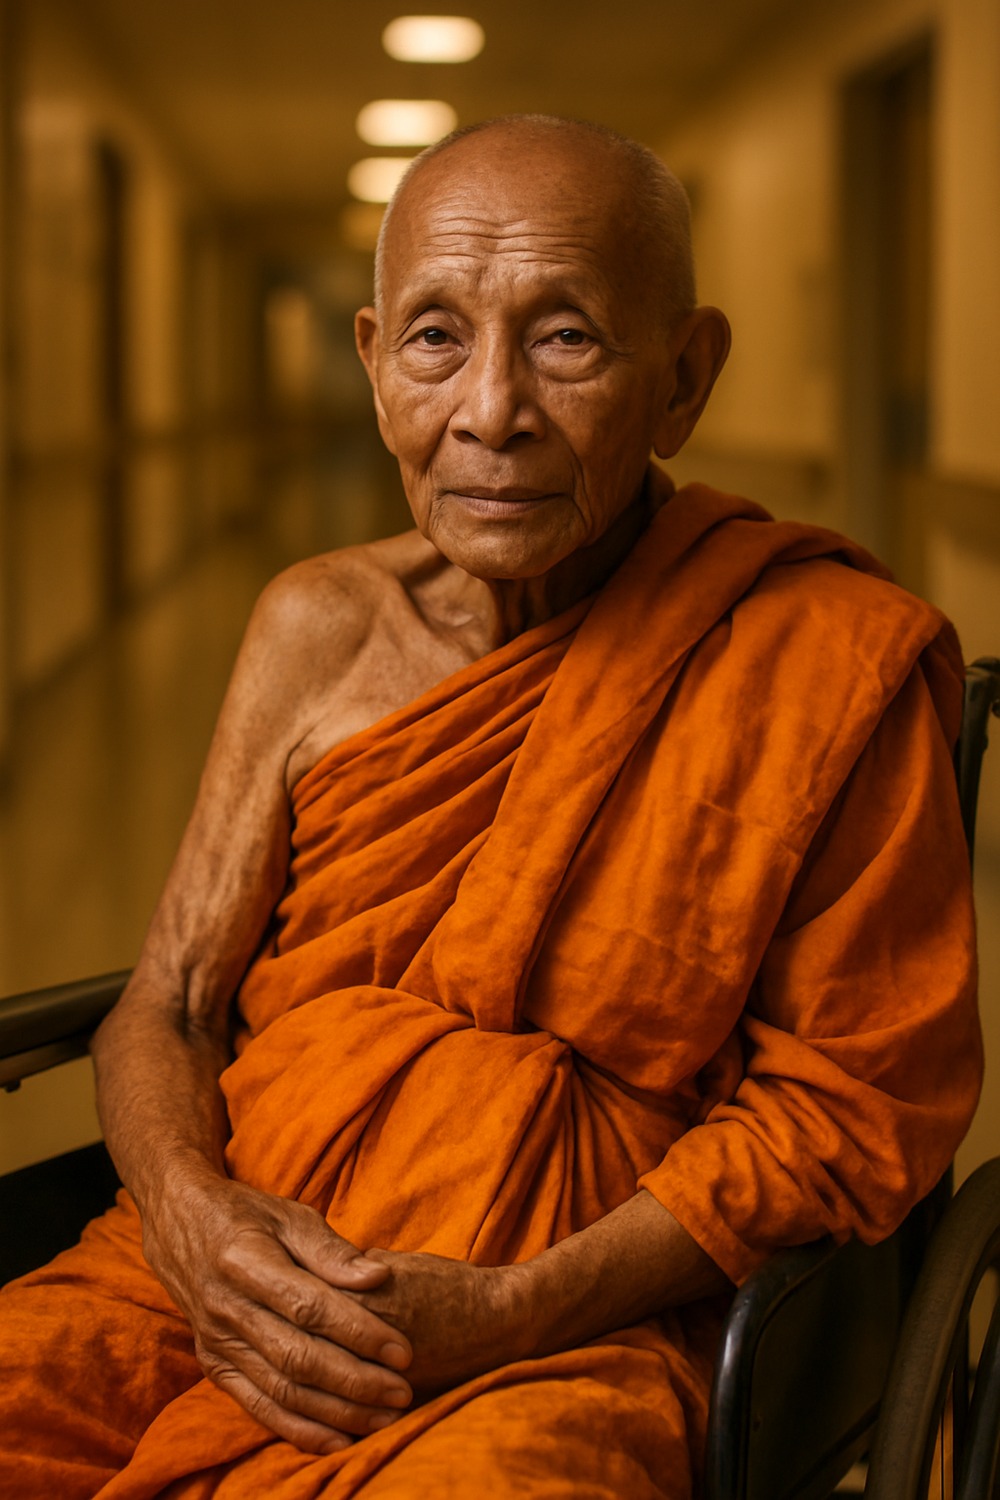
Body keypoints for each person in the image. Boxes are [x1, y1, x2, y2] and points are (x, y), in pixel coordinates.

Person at [0, 114, 982, 1499]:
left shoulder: (822, 655)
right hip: (218, 1269)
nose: (491, 412)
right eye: (436, 338)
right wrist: (192, 1221)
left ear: (686, 377)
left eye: (568, 337)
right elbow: (164, 1003)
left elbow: (848, 1109)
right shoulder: (316, 625)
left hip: (573, 1322)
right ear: (371, 361)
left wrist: (509, 1313)